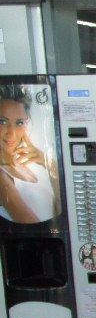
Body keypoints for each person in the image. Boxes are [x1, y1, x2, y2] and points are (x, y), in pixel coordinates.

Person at [0, 86, 60, 223]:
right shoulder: (2, 176)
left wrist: (48, 163)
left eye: (19, 123)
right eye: (2, 122)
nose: (11, 133)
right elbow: (33, 225)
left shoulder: (30, 168)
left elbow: (61, 210)